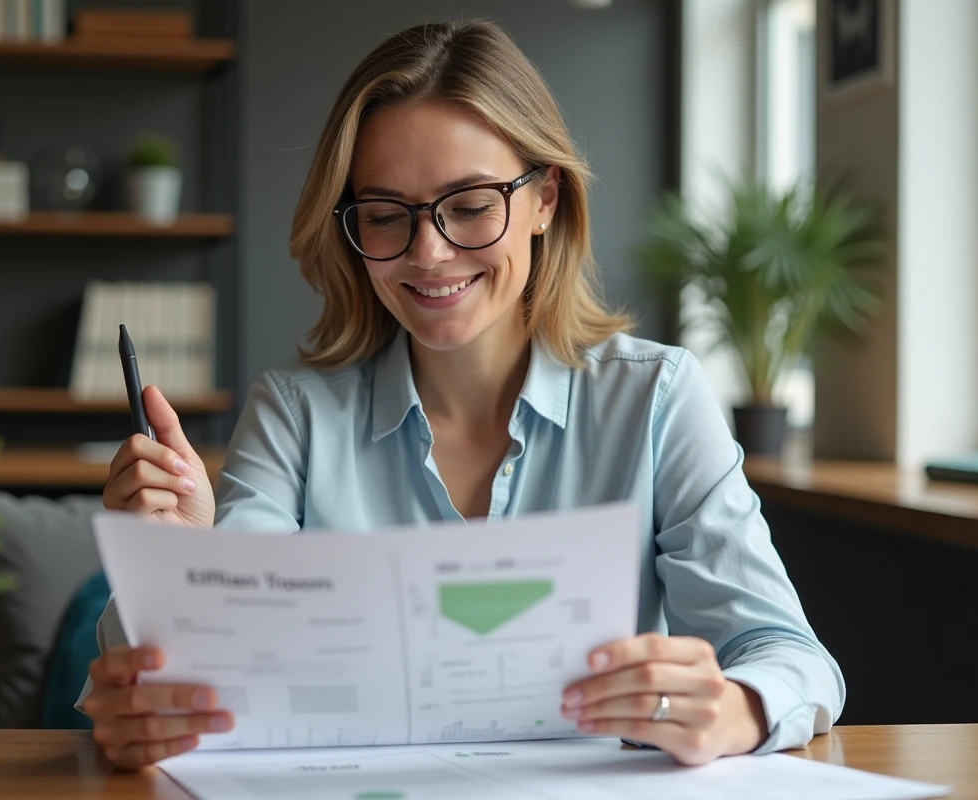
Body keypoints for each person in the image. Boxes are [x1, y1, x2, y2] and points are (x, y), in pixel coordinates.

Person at [78, 19, 844, 771]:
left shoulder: (656, 398)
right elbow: (218, 676)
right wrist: (171, 566)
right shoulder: (295, 413)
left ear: (545, 199)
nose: (428, 252)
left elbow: (786, 654)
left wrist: (733, 708)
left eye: (471, 206)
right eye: (384, 216)